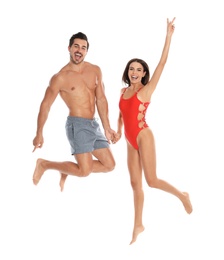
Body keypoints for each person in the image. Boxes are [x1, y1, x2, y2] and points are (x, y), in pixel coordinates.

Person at [114, 18, 193, 245]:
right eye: (132, 68)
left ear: (144, 73)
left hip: (143, 135)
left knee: (151, 180)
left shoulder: (146, 91)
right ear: (127, 72)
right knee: (134, 184)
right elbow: (121, 115)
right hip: (129, 141)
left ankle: (182, 195)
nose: (135, 72)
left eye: (139, 69)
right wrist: (118, 132)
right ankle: (138, 224)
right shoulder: (122, 91)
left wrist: (168, 36)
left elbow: (162, 64)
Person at [32, 32, 116, 192]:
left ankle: (67, 169)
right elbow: (46, 105)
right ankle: (44, 164)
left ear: (86, 51)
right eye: (76, 46)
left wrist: (107, 127)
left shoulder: (95, 70)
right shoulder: (60, 77)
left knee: (109, 165)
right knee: (84, 171)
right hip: (77, 125)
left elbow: (101, 99)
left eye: (83, 48)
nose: (79, 50)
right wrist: (39, 132)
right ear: (69, 48)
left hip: (94, 124)